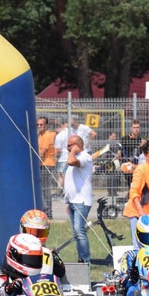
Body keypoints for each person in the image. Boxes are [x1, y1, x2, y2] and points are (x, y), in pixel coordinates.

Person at [123, 139, 149, 242]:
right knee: (140, 246)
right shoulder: (141, 170)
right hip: (138, 214)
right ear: (146, 155)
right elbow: (134, 192)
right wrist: (141, 213)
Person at [64, 134, 93, 264]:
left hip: (81, 201)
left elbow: (70, 162)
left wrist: (74, 151)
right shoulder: (76, 157)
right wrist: (68, 202)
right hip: (73, 201)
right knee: (76, 233)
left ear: (77, 145)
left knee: (79, 231)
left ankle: (85, 261)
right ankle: (81, 258)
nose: (67, 148)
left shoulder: (85, 157)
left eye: (69, 145)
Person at [18, 209, 65, 280]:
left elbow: (61, 273)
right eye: (32, 232)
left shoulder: (48, 253)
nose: (35, 237)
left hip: (46, 283)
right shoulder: (17, 249)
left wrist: (54, 257)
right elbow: (8, 270)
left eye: (40, 232)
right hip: (23, 284)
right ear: (22, 229)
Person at [37, 117, 57, 217]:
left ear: (46, 125)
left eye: (41, 124)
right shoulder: (40, 135)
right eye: (38, 124)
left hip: (46, 164)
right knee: (42, 189)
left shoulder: (47, 135)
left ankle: (48, 212)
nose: (39, 126)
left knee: (45, 189)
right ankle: (44, 210)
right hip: (42, 164)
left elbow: (42, 153)